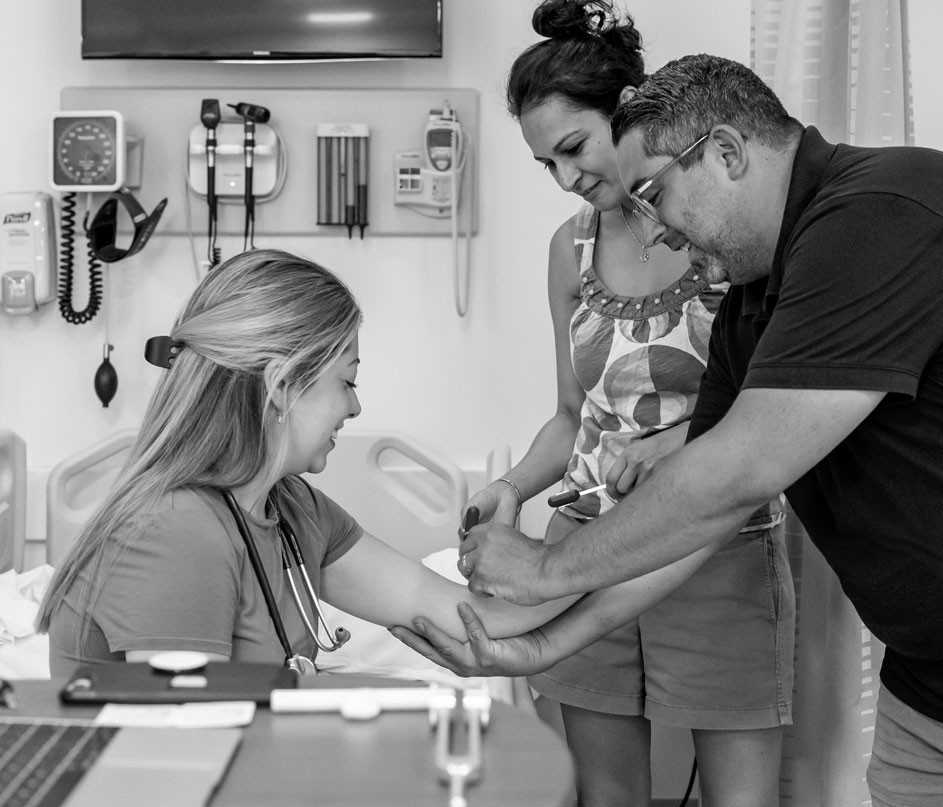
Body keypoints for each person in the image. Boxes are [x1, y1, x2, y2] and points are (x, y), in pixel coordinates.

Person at [393, 54, 943, 807]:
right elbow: (700, 510)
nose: (658, 228)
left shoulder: (881, 207)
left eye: (654, 192)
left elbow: (738, 472)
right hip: (924, 681)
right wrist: (539, 644)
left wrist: (547, 572)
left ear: (723, 152)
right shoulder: (751, 305)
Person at [458, 4, 793, 806]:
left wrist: (681, 444)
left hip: (714, 541)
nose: (568, 178)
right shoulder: (566, 250)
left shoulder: (722, 233)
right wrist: (512, 489)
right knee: (606, 796)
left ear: (632, 110)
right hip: (584, 542)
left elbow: (777, 405)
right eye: (547, 164)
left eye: (574, 148)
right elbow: (572, 414)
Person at [35, 249, 580, 677]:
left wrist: (628, 532)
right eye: (347, 381)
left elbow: (464, 618)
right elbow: (188, 758)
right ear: (280, 386)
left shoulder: (291, 509)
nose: (355, 406)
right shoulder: (172, 533)